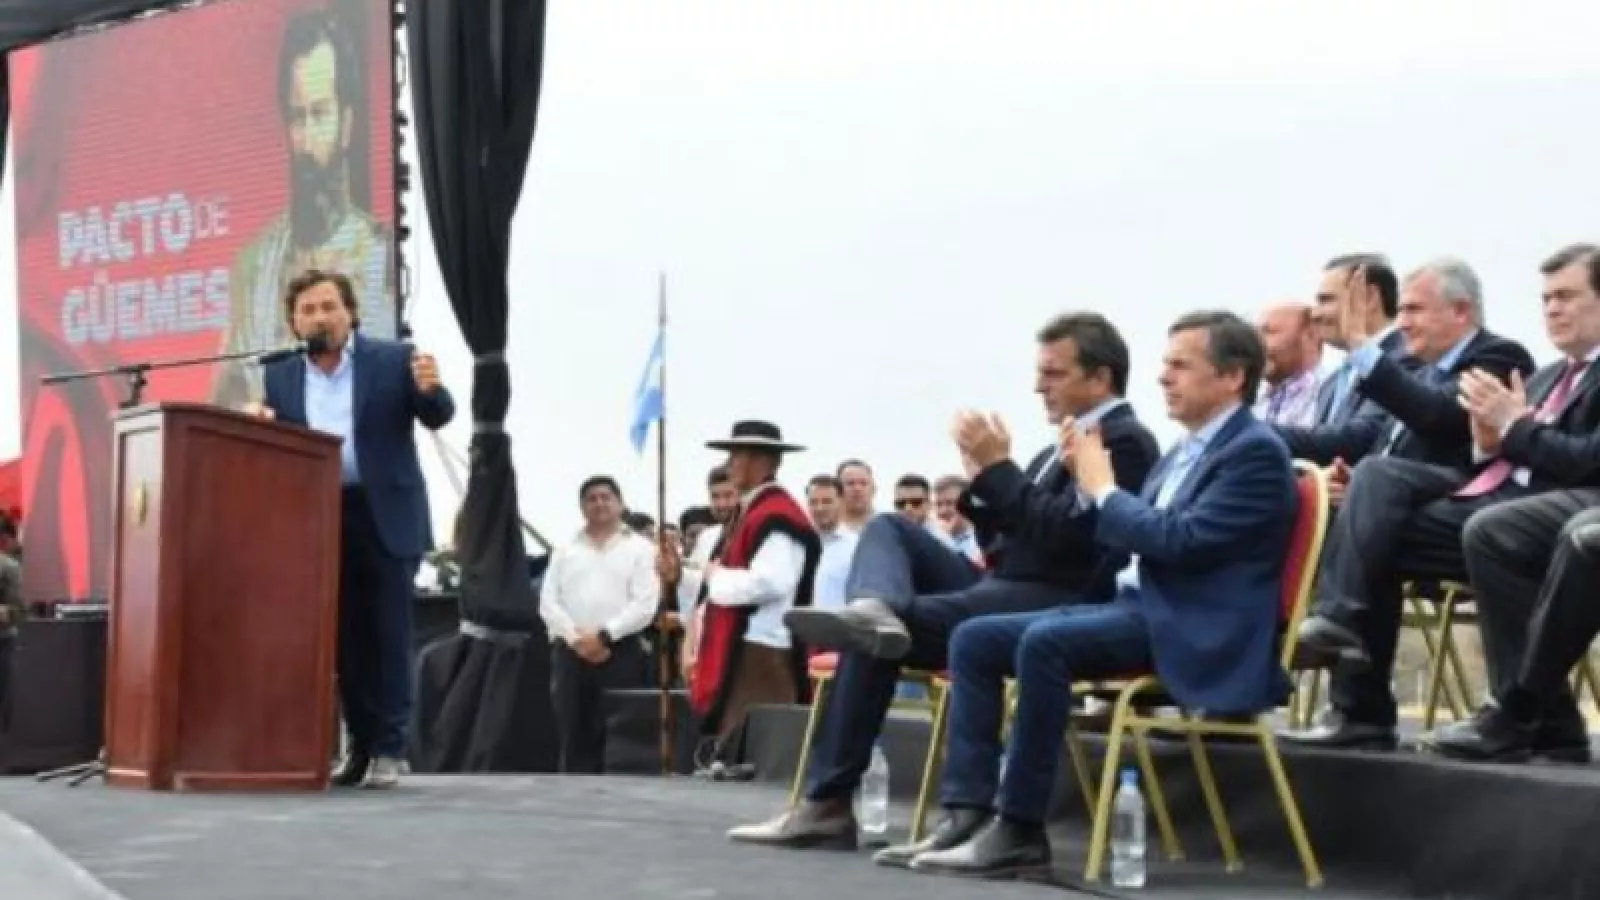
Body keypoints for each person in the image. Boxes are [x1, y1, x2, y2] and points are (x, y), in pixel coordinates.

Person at [728, 312, 1159, 855]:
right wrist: (985, 481)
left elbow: (1073, 546)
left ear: (1100, 378)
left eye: (1054, 373)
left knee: (875, 633)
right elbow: (1008, 543)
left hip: (1060, 598)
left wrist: (1001, 471)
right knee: (889, 533)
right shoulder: (1057, 447)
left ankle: (830, 802)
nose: (1038, 387)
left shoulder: (1125, 442)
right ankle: (873, 605)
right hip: (1009, 581)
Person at [907, 310, 1296, 877]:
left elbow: (1182, 542)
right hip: (1136, 605)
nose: (1162, 377)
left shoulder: (1255, 451)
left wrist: (1103, 488)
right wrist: (1091, 497)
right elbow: (1121, 541)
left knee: (1044, 642)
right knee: (975, 639)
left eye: (1180, 365)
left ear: (1233, 376)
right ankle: (966, 814)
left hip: (1188, 621)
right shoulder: (1184, 450)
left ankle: (1019, 829)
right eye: (1164, 364)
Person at [245, 269, 454, 788]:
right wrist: (256, 425)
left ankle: (390, 747)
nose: (319, 317)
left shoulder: (393, 359)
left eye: (328, 307)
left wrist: (432, 389)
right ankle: (358, 746)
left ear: (351, 313)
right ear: (294, 323)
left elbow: (436, 415)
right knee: (345, 641)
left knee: (388, 633)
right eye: (308, 310)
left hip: (385, 513)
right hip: (319, 516)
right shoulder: (280, 374)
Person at [213, 8, 392, 407]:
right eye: (297, 118)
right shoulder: (254, 269)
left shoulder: (383, 259)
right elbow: (222, 408)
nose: (308, 140)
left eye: (320, 114)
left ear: (347, 123)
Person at [669, 422, 822, 753]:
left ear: (764, 461)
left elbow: (771, 582)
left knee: (757, 753)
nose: (730, 464)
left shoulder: (777, 515)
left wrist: (716, 578)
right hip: (745, 649)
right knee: (739, 749)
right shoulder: (752, 511)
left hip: (763, 651)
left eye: (738, 456)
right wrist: (681, 575)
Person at [540, 476, 659, 773]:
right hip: (571, 651)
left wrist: (605, 635)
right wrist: (576, 639)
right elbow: (548, 602)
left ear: (620, 503)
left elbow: (645, 604)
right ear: (582, 507)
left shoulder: (642, 549)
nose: (599, 503)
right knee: (572, 731)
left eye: (606, 497)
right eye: (591, 499)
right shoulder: (565, 549)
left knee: (619, 734)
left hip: (621, 650)